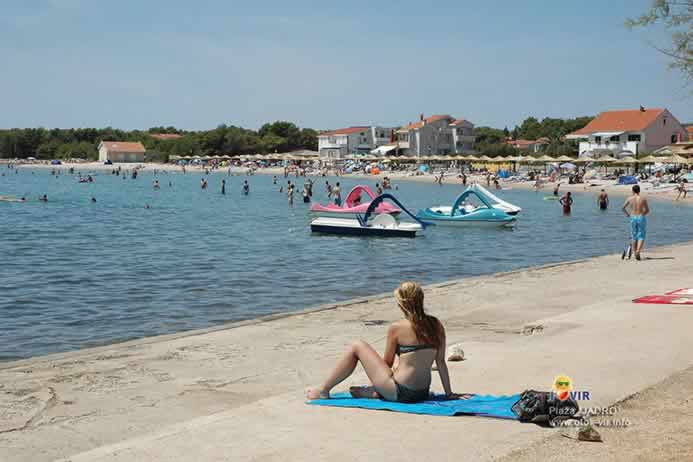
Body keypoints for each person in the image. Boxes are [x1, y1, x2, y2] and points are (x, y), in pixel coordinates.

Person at [306, 281, 455, 403]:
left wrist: (377, 385)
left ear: (402, 303)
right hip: (422, 392)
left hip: (400, 392)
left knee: (357, 346)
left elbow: (387, 363)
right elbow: (440, 361)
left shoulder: (397, 328)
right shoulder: (436, 324)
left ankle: (323, 390)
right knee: (356, 390)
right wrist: (449, 393)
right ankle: (371, 392)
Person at [623, 185, 650, 261]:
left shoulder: (629, 198)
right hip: (641, 216)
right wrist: (642, 214)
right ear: (639, 191)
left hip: (633, 216)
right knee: (641, 234)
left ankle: (635, 251)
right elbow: (647, 210)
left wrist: (627, 214)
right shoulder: (643, 198)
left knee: (634, 234)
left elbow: (623, 208)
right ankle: (638, 250)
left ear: (633, 191)